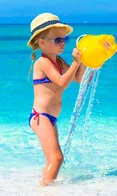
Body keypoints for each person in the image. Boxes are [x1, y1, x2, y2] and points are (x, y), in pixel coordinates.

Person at [26, 13, 86, 186]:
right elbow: (61, 82)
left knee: (51, 159)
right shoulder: (42, 63)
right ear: (42, 43)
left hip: (50, 119)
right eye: (57, 40)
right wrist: (75, 63)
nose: (62, 43)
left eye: (64, 39)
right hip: (40, 117)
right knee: (57, 158)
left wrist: (83, 61)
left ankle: (43, 184)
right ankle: (44, 190)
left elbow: (78, 79)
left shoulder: (58, 61)